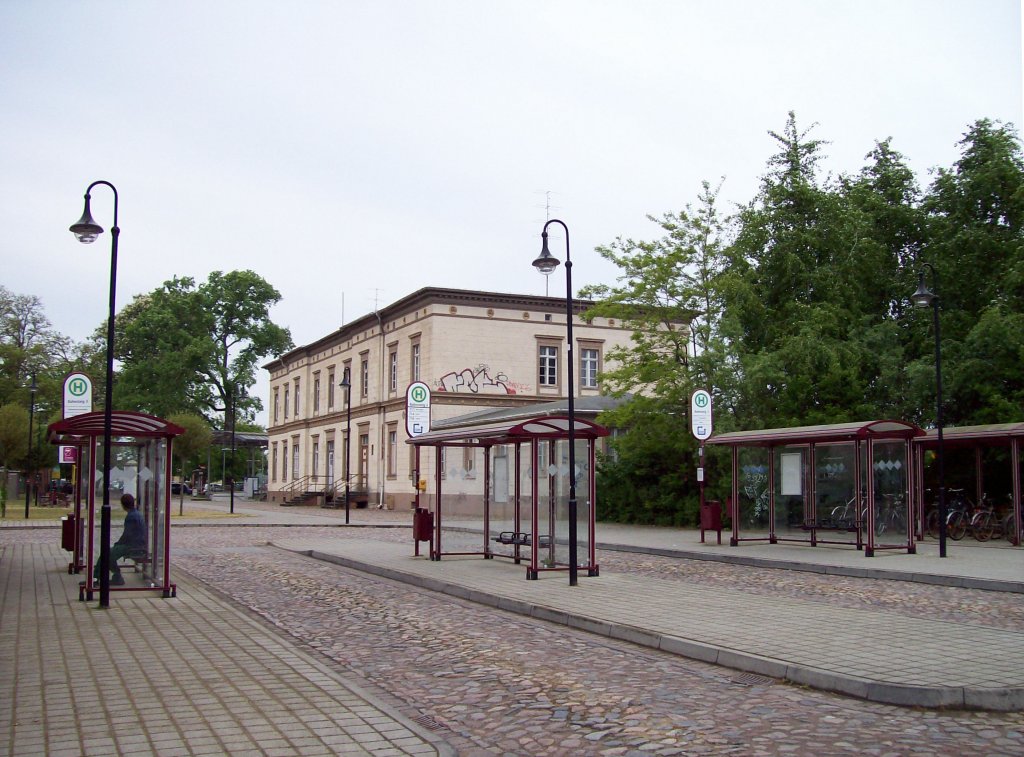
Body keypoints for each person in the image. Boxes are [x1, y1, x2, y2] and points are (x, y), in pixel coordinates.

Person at [93, 493, 146, 586]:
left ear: (123, 505)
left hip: (132, 545)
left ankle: (100, 577)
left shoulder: (131, 516)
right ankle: (112, 576)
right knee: (109, 553)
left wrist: (118, 544)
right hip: (138, 543)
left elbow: (127, 534)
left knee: (107, 554)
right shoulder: (137, 514)